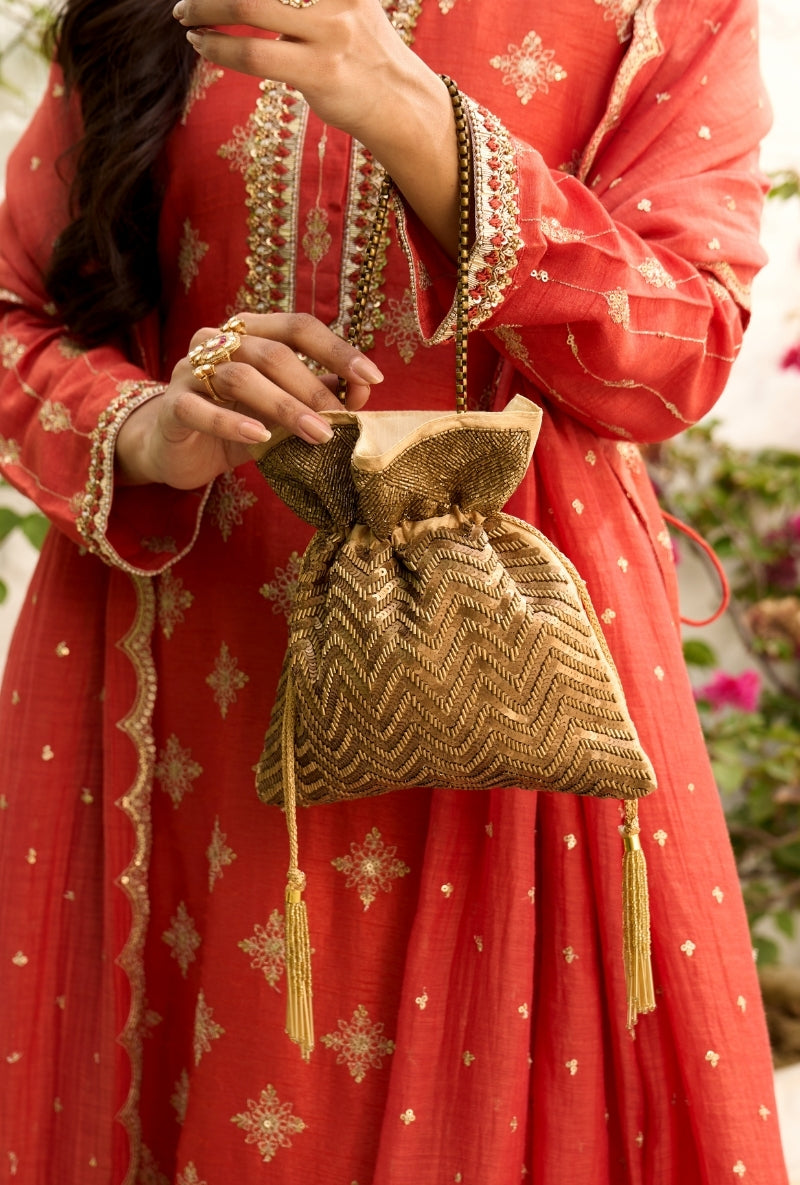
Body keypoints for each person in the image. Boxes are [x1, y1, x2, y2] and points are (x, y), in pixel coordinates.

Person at [0, 0, 789, 1181]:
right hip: (181, 697)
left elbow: (683, 345)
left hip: (508, 695)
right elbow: (15, 314)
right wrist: (147, 426)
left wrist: (416, 114)